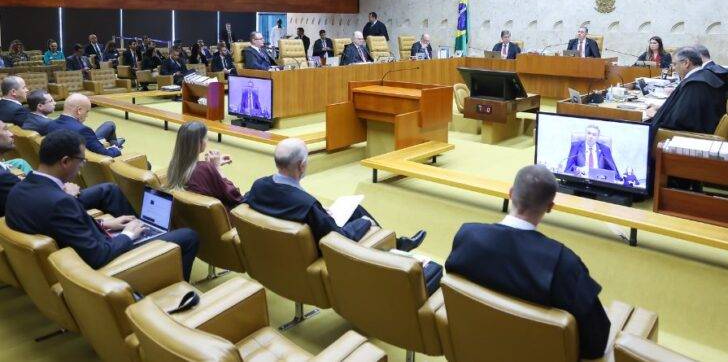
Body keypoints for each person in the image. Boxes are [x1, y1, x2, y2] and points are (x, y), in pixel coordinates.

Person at [445, 165, 610, 360]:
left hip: (475, 347)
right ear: (550, 207)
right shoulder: (563, 263)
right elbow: (596, 342)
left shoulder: (467, 236)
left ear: (510, 194)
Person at [4, 130, 198, 279]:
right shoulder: (60, 202)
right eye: (81, 160)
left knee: (144, 227)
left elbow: (62, 228)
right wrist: (127, 235)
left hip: (71, 258)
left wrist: (106, 225)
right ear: (65, 161)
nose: (83, 165)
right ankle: (177, 293)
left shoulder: (20, 189)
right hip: (100, 270)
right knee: (188, 236)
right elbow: (98, 256)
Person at [244, 138, 426, 250]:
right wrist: (364, 223)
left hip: (284, 239)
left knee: (355, 209)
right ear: (301, 165)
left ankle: (397, 243)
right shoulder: (306, 204)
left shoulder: (258, 186)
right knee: (362, 218)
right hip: (317, 247)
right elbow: (337, 237)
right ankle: (394, 246)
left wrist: (322, 213)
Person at [646, 46, 726, 134]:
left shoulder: (695, 85)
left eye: (674, 64)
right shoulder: (703, 76)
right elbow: (685, 108)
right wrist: (660, 108)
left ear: (686, 63)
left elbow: (681, 122)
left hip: (684, 138)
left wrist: (655, 115)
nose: (673, 68)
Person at [166, 122, 243, 211]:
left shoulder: (174, 167)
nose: (207, 139)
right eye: (206, 137)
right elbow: (235, 196)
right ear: (200, 142)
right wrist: (217, 168)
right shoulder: (205, 169)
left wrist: (211, 167)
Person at [46, 93, 125, 157]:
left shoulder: (51, 124)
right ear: (79, 110)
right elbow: (105, 154)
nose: (87, 115)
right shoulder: (83, 131)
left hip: (82, 145)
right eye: (87, 111)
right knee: (116, 141)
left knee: (110, 125)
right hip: (88, 153)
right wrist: (115, 149)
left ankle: (115, 142)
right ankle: (116, 144)